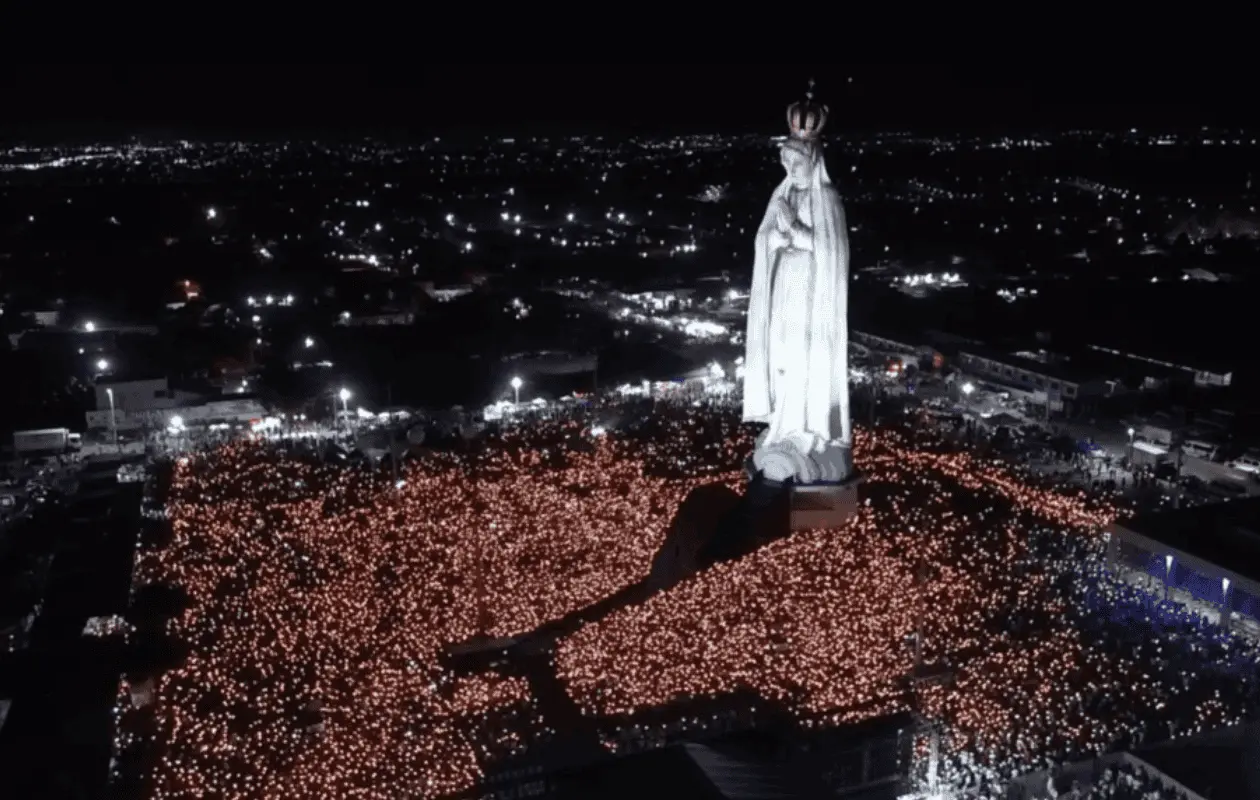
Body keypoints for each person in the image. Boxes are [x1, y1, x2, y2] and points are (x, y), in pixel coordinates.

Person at [743, 118, 852, 484]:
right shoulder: (785, 195)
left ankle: (806, 427)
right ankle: (783, 425)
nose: (791, 171)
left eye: (798, 164)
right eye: (786, 165)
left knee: (805, 359)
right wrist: (776, 237)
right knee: (783, 357)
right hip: (784, 287)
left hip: (811, 292)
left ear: (814, 162)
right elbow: (765, 241)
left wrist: (794, 230)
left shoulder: (828, 199)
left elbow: (831, 251)